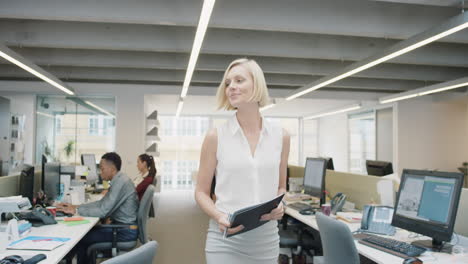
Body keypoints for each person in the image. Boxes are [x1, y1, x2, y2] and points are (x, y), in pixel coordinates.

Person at [194, 58, 290, 263]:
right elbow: (201, 192)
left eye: (239, 80)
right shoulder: (216, 136)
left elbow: (281, 187)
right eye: (228, 83)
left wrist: (281, 205)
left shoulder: (281, 136)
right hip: (226, 238)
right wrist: (218, 215)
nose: (231, 87)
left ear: (257, 85)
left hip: (266, 240)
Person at [56, 152, 139, 263]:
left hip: (124, 231)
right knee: (84, 234)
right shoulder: (119, 179)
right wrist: (77, 206)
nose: (100, 172)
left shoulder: (120, 182)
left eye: (102, 168)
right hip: (121, 227)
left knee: (80, 239)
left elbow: (103, 210)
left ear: (112, 168)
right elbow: (102, 203)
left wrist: (76, 210)